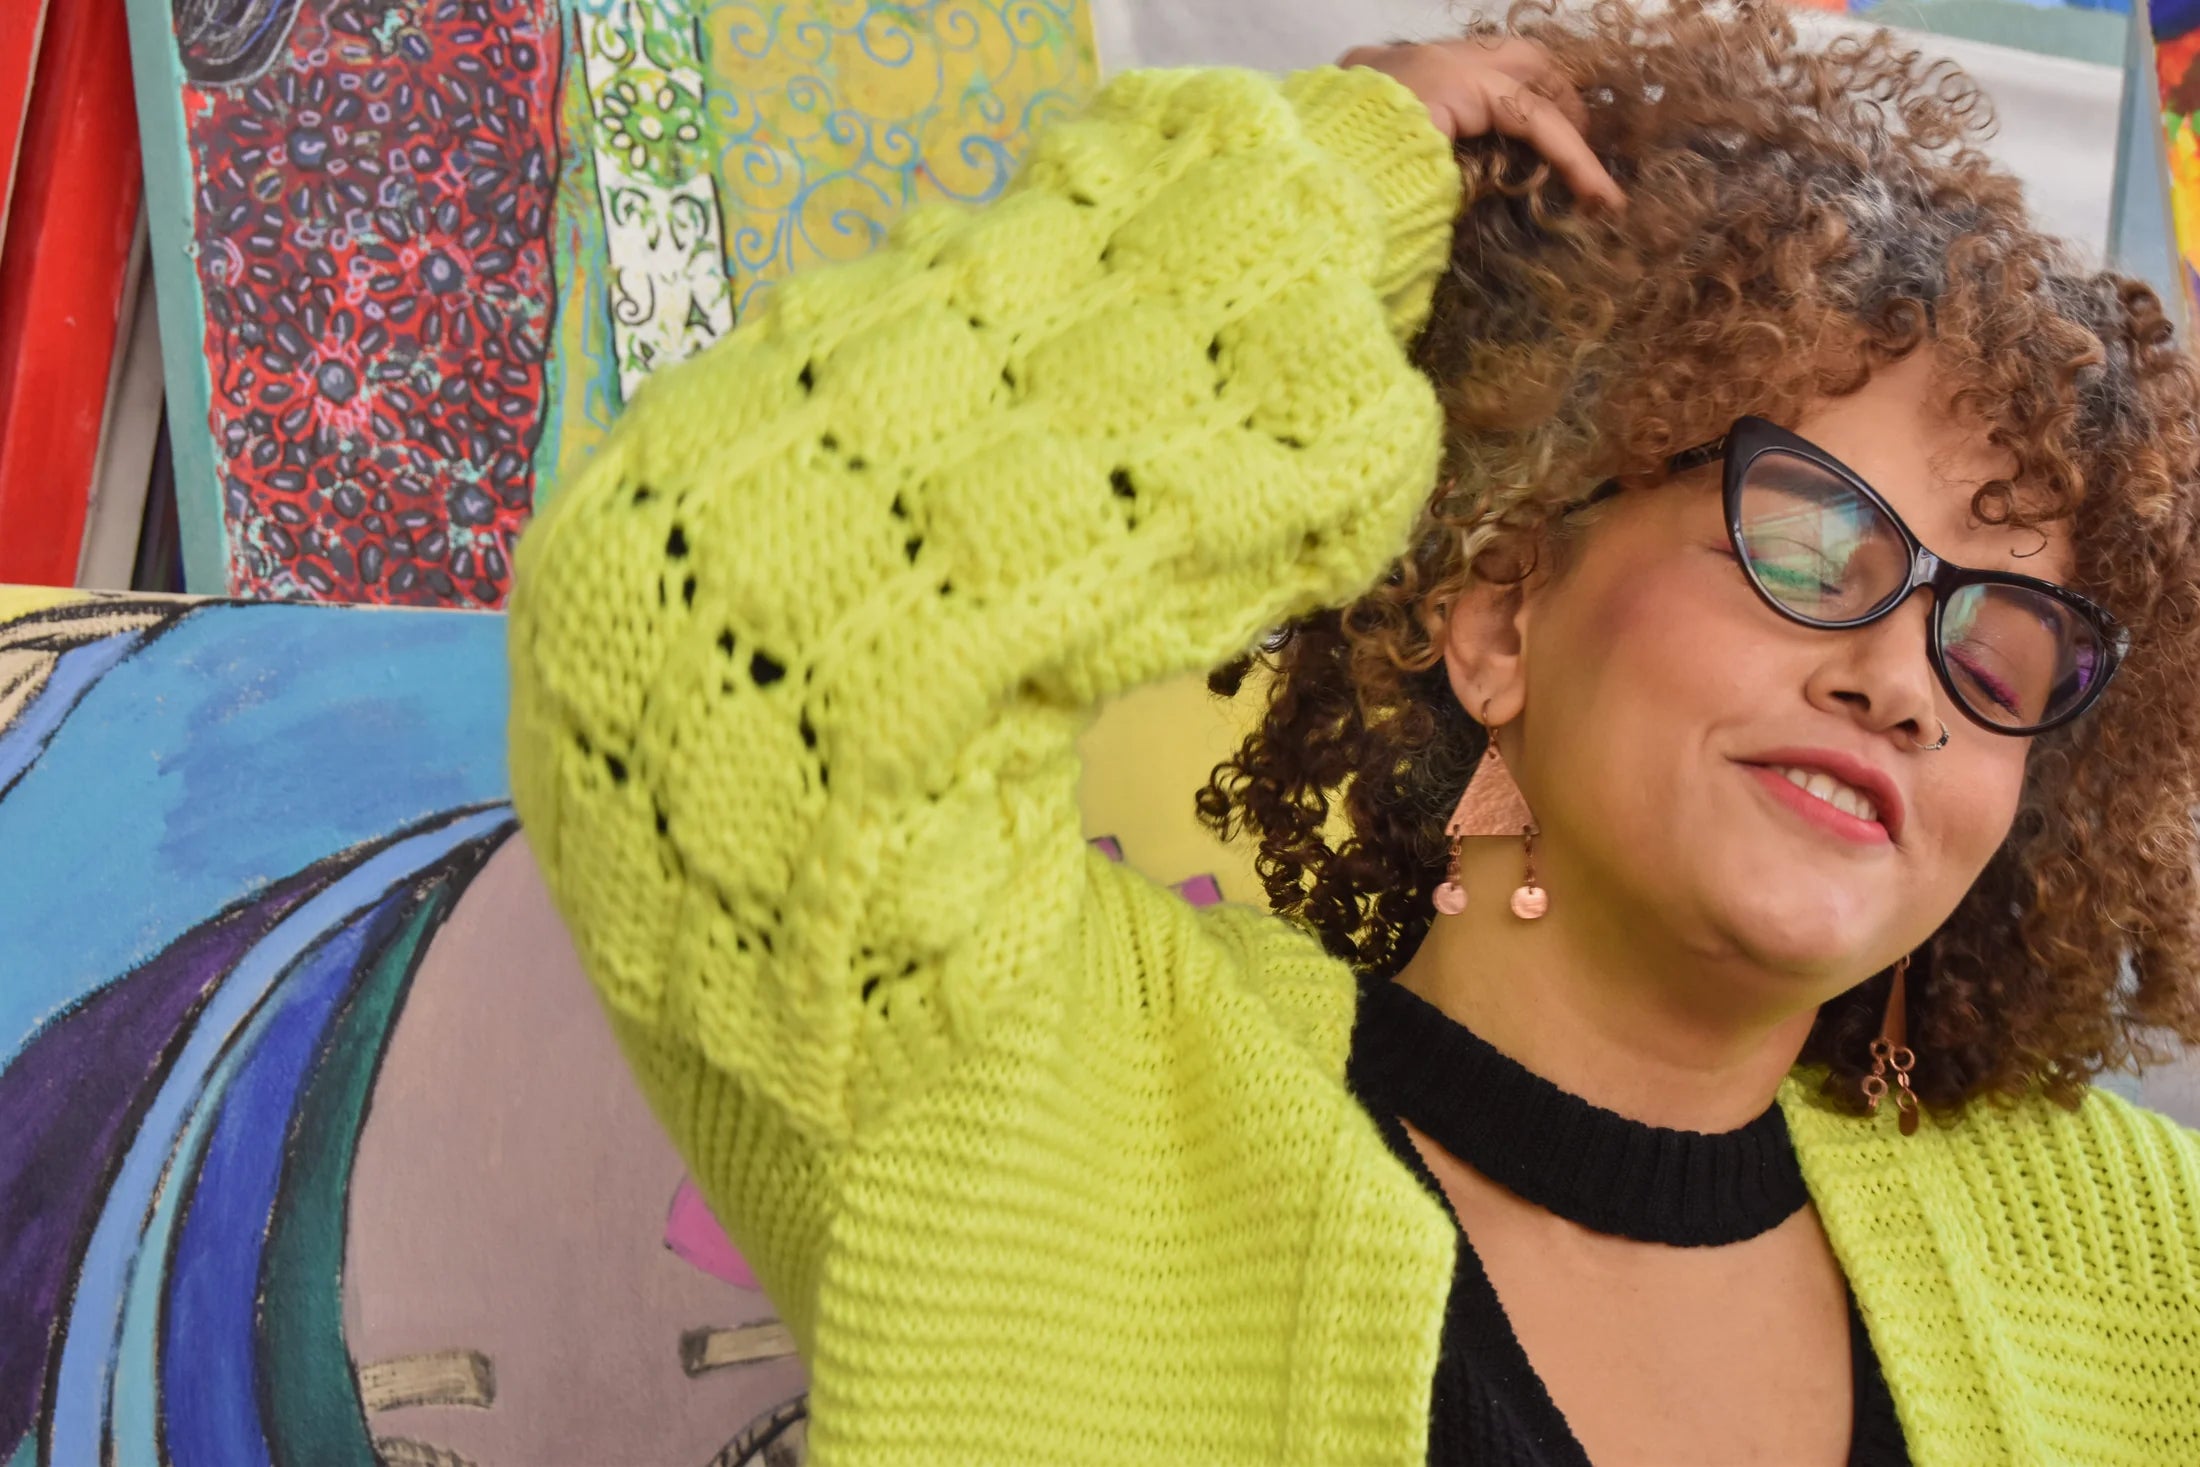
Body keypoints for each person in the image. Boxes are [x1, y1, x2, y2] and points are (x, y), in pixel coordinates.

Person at [506, 1, 2200, 1461]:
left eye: (2001, 642)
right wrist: (1320, 190)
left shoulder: (2133, 1262)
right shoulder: (1044, 1093)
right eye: (1813, 543)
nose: (1902, 680)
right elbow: (700, 623)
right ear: (1502, 620)